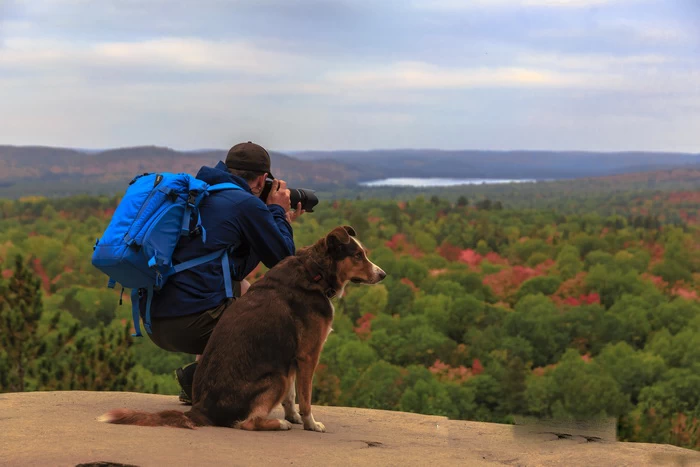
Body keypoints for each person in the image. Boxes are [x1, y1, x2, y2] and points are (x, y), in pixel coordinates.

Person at [138, 141, 304, 404]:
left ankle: (198, 385)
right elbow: (285, 261)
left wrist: (268, 225)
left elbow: (232, 269)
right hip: (189, 326)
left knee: (243, 288)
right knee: (274, 322)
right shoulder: (246, 205)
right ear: (262, 181)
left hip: (152, 322)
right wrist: (277, 213)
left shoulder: (200, 192)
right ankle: (205, 382)